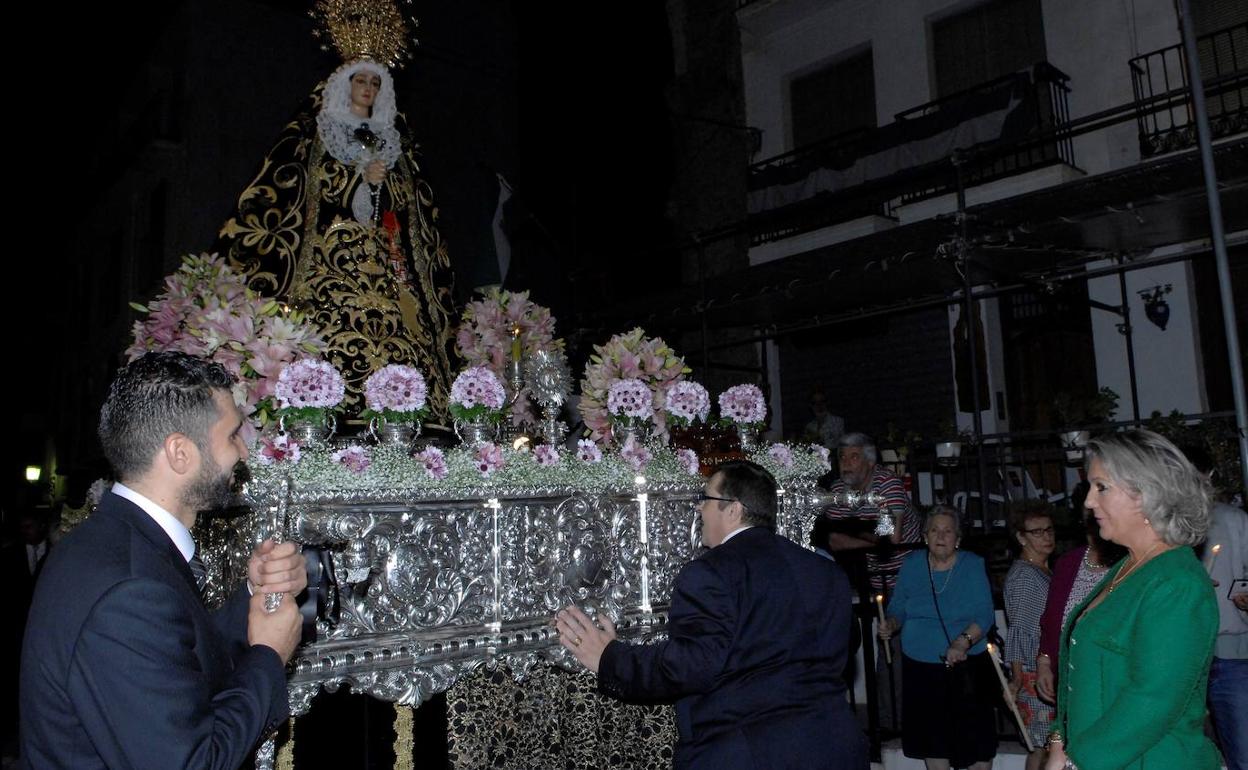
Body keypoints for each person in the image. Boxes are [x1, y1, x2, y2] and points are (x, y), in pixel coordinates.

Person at [19, 352, 306, 769]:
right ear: (180, 453)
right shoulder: (129, 587)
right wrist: (269, 655)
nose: (243, 452)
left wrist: (254, 593)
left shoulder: (114, 543)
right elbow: (193, 761)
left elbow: (180, 660)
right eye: (232, 436)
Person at [554, 460, 867, 770]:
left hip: (751, 751)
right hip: (835, 743)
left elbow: (690, 667)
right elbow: (848, 639)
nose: (699, 510)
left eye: (705, 499)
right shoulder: (826, 571)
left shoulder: (711, 571)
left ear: (733, 509)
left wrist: (609, 658)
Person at [218, 57, 458, 417]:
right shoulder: (320, 132)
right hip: (332, 261)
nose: (367, 89)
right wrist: (358, 179)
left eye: (375, 83)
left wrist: (382, 185)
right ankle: (319, 409)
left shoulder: (393, 142)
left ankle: (408, 411)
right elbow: (306, 192)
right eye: (360, 80)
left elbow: (410, 210)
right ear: (345, 84)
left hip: (388, 266)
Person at [1046, 430, 1219, 770]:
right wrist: (1058, 741)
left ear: (1145, 493)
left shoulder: (1177, 583)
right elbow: (1078, 673)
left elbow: (1152, 698)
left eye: (1102, 487)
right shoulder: (1130, 566)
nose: (1088, 501)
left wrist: (1077, 761)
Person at [878, 506, 997, 770]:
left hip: (966, 667)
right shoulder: (911, 564)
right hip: (920, 666)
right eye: (934, 530)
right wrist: (892, 623)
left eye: (947, 531)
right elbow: (898, 606)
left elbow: (985, 614)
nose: (940, 536)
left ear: (958, 538)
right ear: (924, 536)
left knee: (975, 742)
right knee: (933, 740)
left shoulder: (972, 564)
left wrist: (962, 642)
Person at [1185, 444, 1247, 770]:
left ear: (1209, 477)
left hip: (1230, 655)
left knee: (1243, 750)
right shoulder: (1164, 527)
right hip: (1182, 656)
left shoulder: (1234, 521)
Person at [1034, 490, 1125, 705]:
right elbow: (1051, 620)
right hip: (1071, 676)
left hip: (1113, 678)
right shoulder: (1068, 563)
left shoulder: (1128, 562)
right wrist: (1045, 664)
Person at [821, 432, 920, 596]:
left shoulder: (887, 484)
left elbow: (892, 539)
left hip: (909, 576)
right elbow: (836, 541)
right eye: (842, 457)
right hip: (873, 579)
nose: (846, 463)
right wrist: (878, 545)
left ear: (870, 462)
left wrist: (858, 537)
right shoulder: (837, 490)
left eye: (854, 457)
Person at [1004, 503, 1056, 770]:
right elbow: (1019, 630)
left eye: (1048, 530)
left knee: (1048, 746)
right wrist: (1017, 678)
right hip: (1034, 673)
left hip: (1042, 670)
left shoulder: (1043, 570)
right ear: (1021, 537)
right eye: (1037, 532)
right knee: (1044, 747)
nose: (1046, 537)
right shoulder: (1026, 575)